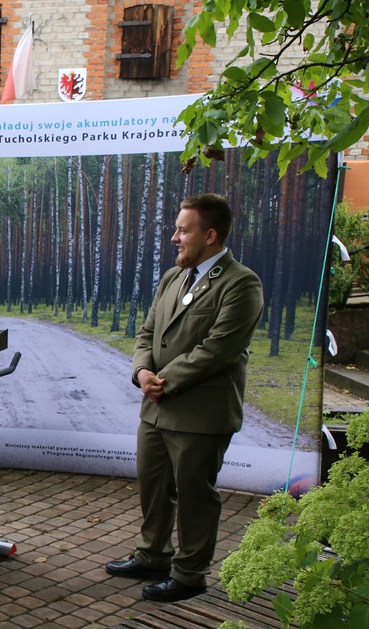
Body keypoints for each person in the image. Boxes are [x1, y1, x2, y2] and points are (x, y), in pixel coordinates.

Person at [105, 193, 264, 602]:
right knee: (154, 488)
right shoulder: (173, 278)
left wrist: (163, 380)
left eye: (183, 230)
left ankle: (190, 575)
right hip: (156, 407)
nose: (174, 238)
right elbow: (147, 333)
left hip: (200, 413)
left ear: (210, 235)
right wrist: (142, 372)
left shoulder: (241, 283)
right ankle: (152, 556)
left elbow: (219, 349)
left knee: (195, 496)